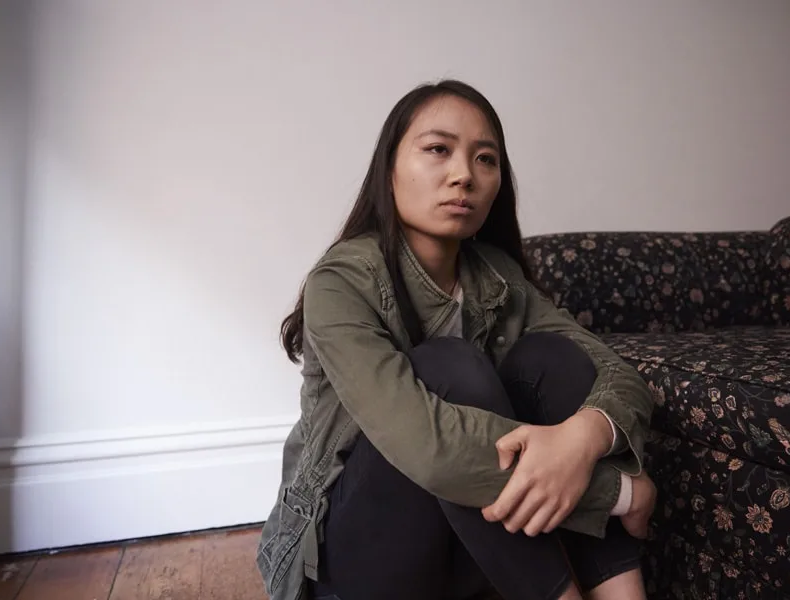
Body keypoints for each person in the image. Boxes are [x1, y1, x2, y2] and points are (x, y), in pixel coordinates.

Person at [256, 79, 657, 600]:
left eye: (485, 159)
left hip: (466, 546)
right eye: (437, 149)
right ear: (390, 169)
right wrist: (622, 493)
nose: (463, 174)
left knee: (555, 360)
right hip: (348, 562)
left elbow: (615, 372)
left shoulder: (497, 276)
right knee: (449, 367)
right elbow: (429, 449)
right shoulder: (342, 281)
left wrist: (581, 441)